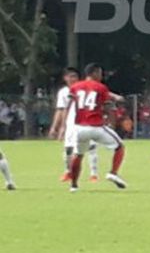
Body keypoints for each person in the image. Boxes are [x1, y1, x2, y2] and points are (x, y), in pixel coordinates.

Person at [52, 63, 127, 192]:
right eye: (100, 73)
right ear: (94, 73)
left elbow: (69, 105)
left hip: (80, 128)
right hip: (96, 126)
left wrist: (64, 125)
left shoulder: (75, 87)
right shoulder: (101, 87)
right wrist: (110, 122)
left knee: (78, 154)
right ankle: (113, 173)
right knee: (120, 146)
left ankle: (74, 185)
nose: (101, 76)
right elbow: (108, 107)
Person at [50, 68, 99, 183]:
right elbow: (60, 110)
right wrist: (56, 127)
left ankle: (94, 174)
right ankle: (68, 171)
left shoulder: (85, 88)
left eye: (75, 76)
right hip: (71, 124)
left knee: (91, 147)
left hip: (86, 122)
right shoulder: (63, 92)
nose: (72, 79)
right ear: (65, 78)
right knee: (68, 149)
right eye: (70, 76)